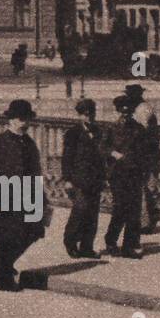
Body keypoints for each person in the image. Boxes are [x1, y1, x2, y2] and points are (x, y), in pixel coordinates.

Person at [0, 100, 48, 291]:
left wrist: (42, 199)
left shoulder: (29, 143)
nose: (24, 123)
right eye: (20, 119)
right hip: (4, 198)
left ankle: (3, 262)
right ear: (10, 120)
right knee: (8, 237)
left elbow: (36, 172)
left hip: (27, 197)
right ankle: (3, 279)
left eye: (27, 119)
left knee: (33, 232)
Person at [102, 95, 147, 258]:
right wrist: (114, 153)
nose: (126, 116)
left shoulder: (139, 129)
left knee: (134, 210)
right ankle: (111, 241)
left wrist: (146, 170)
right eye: (123, 112)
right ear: (118, 111)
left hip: (135, 172)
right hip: (118, 173)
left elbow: (144, 151)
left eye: (129, 113)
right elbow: (102, 148)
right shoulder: (111, 128)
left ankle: (130, 245)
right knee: (121, 208)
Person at [62, 98, 106, 258]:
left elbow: (102, 158)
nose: (90, 117)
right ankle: (70, 242)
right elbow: (67, 158)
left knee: (93, 215)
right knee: (79, 211)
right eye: (86, 115)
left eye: (92, 114)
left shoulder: (99, 132)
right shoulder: (72, 133)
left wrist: (104, 177)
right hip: (79, 179)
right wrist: (67, 180)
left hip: (96, 180)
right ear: (80, 116)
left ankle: (87, 246)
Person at [124, 83, 160, 232]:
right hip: (147, 152)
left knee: (143, 187)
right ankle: (147, 219)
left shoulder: (142, 110)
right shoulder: (141, 108)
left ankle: (146, 222)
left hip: (145, 153)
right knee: (145, 187)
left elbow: (142, 133)